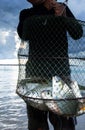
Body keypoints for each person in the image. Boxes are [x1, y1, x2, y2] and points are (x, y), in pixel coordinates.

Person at [17, 0, 83, 130]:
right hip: (34, 77)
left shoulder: (62, 8)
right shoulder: (26, 14)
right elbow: (23, 35)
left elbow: (77, 33)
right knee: (37, 124)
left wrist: (64, 16)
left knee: (65, 123)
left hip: (61, 76)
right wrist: (42, 8)